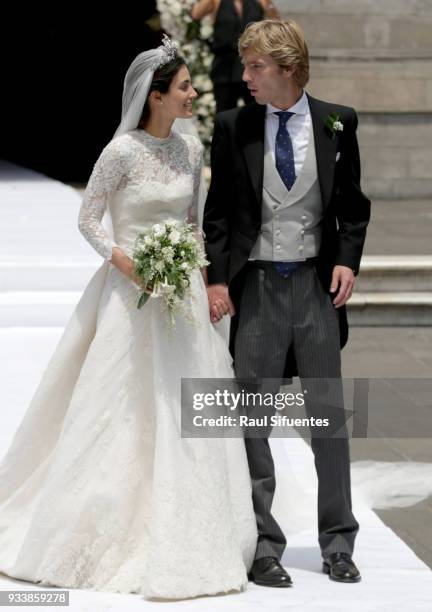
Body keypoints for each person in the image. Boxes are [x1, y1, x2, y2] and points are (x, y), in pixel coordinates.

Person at [0, 36, 258, 600]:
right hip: (127, 291)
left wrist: (197, 273)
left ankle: (198, 519)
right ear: (156, 96)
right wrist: (128, 262)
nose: (194, 94)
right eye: (185, 87)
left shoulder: (191, 150)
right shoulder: (119, 153)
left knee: (185, 402)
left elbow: (193, 222)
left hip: (181, 292)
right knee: (119, 403)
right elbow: (89, 219)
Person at [203, 19, 371, 587]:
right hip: (257, 287)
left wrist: (347, 257)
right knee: (253, 416)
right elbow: (220, 213)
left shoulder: (337, 122)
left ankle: (338, 543)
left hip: (315, 288)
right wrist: (218, 280)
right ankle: (263, 544)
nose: (244, 75)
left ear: (288, 69)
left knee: (327, 418)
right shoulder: (233, 126)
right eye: (246, 65)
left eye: (255, 67)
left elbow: (353, 204)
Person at [191, 0, 280, 112]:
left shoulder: (260, 1)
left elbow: (276, 22)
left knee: (258, 113)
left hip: (253, 66)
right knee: (224, 112)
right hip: (224, 67)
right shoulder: (217, 2)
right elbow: (196, 14)